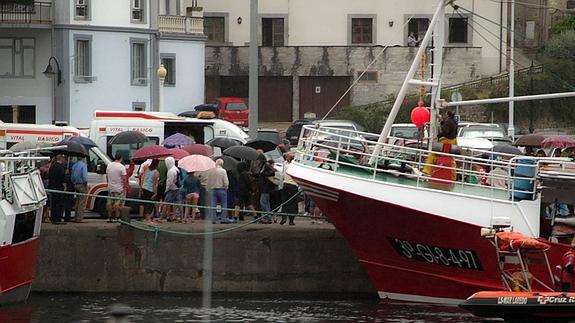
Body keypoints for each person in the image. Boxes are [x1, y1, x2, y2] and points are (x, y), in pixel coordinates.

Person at [206, 158, 232, 224]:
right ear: (222, 164)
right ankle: (223, 219)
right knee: (223, 204)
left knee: (213, 205)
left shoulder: (211, 171)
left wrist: (208, 188)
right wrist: (226, 187)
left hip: (213, 190)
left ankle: (213, 220)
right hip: (221, 189)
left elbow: (208, 181)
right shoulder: (223, 171)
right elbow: (226, 181)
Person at [106, 153, 127, 223]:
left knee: (109, 203)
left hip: (110, 187)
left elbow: (107, 176)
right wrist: (124, 187)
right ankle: (117, 218)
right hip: (119, 188)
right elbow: (124, 179)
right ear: (121, 158)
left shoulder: (109, 165)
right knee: (117, 204)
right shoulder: (121, 167)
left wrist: (108, 183)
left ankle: (109, 218)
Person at [257, 154, 276, 224]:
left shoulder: (266, 166)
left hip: (266, 188)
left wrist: (263, 174)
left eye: (258, 160)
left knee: (263, 203)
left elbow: (272, 172)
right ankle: (266, 217)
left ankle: (268, 218)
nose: (257, 161)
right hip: (264, 187)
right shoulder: (263, 166)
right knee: (265, 203)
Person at [48, 155, 67, 224]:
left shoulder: (52, 167)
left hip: (52, 187)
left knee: (53, 204)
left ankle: (53, 217)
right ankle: (58, 218)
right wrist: (65, 186)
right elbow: (62, 178)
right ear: (61, 159)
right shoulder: (61, 167)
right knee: (60, 204)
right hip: (59, 188)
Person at [280, 153, 298, 226]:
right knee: (285, 202)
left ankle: (290, 219)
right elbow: (283, 173)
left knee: (291, 203)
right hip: (286, 184)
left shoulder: (294, 165)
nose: (286, 158)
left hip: (292, 184)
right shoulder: (285, 164)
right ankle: (284, 218)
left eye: (287, 157)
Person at [141, 159, 160, 224]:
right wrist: (155, 193)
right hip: (150, 189)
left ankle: (147, 219)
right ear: (157, 164)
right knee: (150, 205)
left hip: (144, 187)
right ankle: (148, 220)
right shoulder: (156, 172)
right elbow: (154, 184)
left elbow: (144, 178)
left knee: (146, 204)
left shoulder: (147, 169)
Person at [71, 156, 89, 223]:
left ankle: (76, 217)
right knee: (82, 202)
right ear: (83, 158)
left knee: (78, 201)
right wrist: (86, 185)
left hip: (76, 184)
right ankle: (79, 218)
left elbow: (72, 177)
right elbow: (85, 177)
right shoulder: (83, 165)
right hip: (82, 185)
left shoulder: (74, 165)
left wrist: (74, 182)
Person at [163, 157, 180, 222]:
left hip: (171, 189)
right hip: (177, 188)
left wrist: (166, 189)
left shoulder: (170, 171)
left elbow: (169, 182)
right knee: (177, 204)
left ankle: (162, 217)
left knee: (166, 204)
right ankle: (176, 217)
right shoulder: (176, 169)